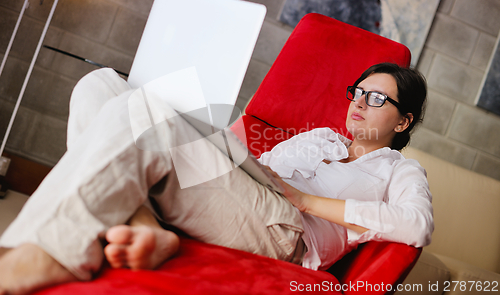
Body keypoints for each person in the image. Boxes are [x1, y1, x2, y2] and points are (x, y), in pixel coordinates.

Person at [0, 62, 433, 294]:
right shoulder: (322, 136)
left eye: (375, 97)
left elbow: (417, 225)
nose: (359, 101)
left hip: (287, 232)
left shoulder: (399, 169)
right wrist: (210, 141)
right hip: (252, 193)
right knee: (102, 85)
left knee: (143, 114)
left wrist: (306, 200)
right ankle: (148, 229)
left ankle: (46, 251)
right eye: (357, 91)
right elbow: (256, 172)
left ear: (403, 121)